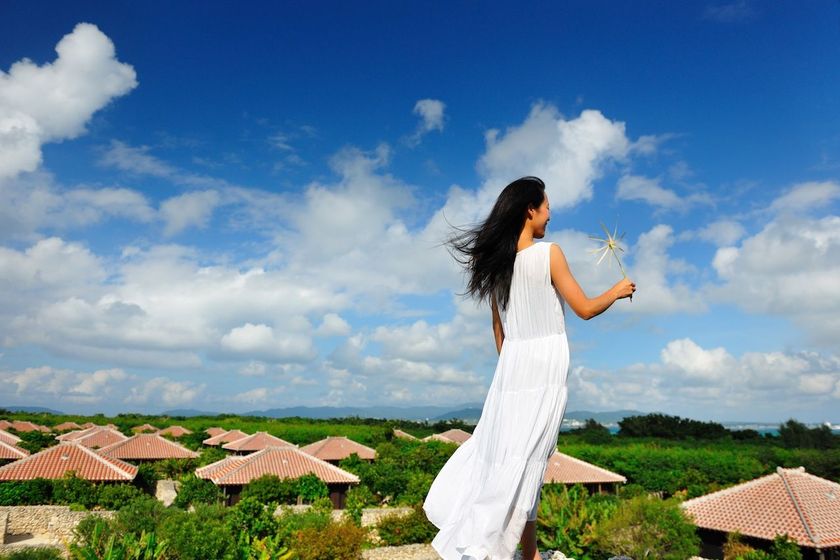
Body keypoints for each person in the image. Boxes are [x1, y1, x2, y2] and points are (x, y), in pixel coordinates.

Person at [423, 176, 635, 560]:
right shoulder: (548, 253)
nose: (550, 214)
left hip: (511, 369)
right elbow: (584, 309)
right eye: (547, 206)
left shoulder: (496, 267)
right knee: (530, 460)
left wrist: (511, 367)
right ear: (530, 209)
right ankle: (494, 547)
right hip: (543, 369)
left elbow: (498, 332)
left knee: (512, 456)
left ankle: (530, 552)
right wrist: (617, 291)